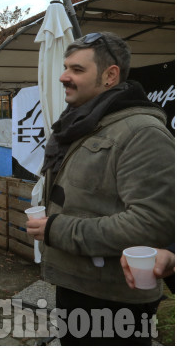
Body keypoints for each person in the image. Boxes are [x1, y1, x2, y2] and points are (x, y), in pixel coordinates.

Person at [26, 32, 175, 345]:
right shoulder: (83, 122)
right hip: (79, 287)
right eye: (65, 67)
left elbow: (151, 224)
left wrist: (57, 229)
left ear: (110, 75)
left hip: (115, 300)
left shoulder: (142, 131)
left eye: (77, 70)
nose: (64, 76)